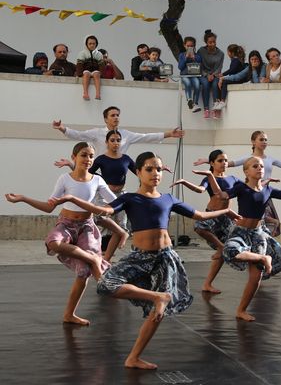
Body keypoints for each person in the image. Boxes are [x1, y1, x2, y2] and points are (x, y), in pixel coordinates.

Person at [53, 151, 240, 369]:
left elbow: (199, 215)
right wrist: (73, 199)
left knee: (157, 313)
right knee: (106, 284)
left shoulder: (168, 199)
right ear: (139, 172)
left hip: (165, 258)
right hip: (141, 257)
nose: (155, 173)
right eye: (149, 169)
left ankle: (134, 357)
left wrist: (225, 211)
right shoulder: (130, 198)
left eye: (158, 169)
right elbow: (104, 209)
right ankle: (157, 297)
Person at [4, 142, 122, 326]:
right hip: (66, 224)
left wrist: (103, 210)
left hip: (86, 227)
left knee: (83, 272)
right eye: (84, 155)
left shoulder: (97, 180)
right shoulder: (64, 179)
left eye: (91, 156)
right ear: (74, 157)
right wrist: (23, 198)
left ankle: (69, 314)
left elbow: (114, 205)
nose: (88, 159)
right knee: (53, 243)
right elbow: (49, 207)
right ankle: (94, 259)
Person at [216, 159, 281, 321]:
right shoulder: (241, 188)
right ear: (246, 172)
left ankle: (241, 310)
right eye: (255, 166)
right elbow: (223, 196)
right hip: (240, 232)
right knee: (229, 251)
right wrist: (210, 176)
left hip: (258, 234)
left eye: (262, 166)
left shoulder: (268, 190)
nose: (259, 169)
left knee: (256, 276)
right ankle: (264, 258)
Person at [194, 130, 281, 237]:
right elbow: (228, 163)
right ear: (253, 142)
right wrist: (208, 161)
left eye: (266, 140)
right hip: (252, 193)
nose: (264, 142)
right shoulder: (248, 160)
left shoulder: (270, 159)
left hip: (264, 192)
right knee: (256, 220)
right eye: (261, 139)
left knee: (263, 224)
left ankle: (261, 243)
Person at [171, 150, 240, 294]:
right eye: (220, 160)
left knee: (225, 253)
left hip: (226, 218)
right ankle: (220, 247)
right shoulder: (209, 178)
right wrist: (184, 182)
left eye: (226, 160)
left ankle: (207, 284)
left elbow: (245, 189)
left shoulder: (233, 178)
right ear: (212, 163)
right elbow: (200, 190)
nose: (224, 163)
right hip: (212, 214)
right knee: (199, 226)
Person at [52, 105, 183, 155]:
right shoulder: (97, 133)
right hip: (100, 173)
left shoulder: (126, 134)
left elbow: (146, 136)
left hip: (119, 174)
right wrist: (62, 128)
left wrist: (169, 134)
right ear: (105, 119)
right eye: (112, 115)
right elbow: (78, 135)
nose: (116, 117)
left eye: (117, 115)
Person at [198, 30, 224, 118]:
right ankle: (206, 109)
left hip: (215, 75)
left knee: (215, 85)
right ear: (206, 43)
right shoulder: (201, 51)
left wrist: (213, 75)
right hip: (203, 74)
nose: (212, 44)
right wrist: (206, 75)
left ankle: (215, 108)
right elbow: (199, 66)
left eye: (214, 42)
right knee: (205, 84)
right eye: (210, 42)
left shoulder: (221, 53)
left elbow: (219, 67)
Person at [178, 36, 202, 112]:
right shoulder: (182, 55)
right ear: (184, 45)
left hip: (194, 75)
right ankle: (189, 100)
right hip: (185, 75)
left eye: (191, 46)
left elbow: (199, 66)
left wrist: (194, 58)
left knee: (197, 84)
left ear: (194, 46)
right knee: (187, 83)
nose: (189, 48)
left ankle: (195, 103)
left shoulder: (198, 56)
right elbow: (180, 67)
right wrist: (185, 58)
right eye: (188, 46)